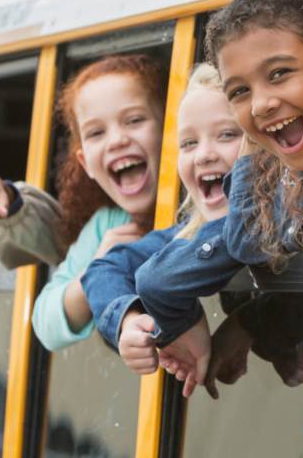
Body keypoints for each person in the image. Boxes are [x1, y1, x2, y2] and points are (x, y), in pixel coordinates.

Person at [131, 0, 303, 397]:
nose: (262, 103)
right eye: (240, 92)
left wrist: (247, 324)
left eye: (280, 73)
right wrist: (253, 143)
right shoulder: (286, 181)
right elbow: (247, 242)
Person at [0, 54, 165, 351]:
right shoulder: (108, 225)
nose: (116, 140)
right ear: (85, 163)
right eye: (97, 132)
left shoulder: (203, 204)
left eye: (134, 120)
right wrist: (100, 268)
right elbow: (44, 322)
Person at [81, 63, 245, 376]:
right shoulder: (187, 231)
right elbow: (104, 268)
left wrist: (180, 319)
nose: (203, 155)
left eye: (226, 135)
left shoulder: (290, 220)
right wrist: (130, 321)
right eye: (189, 143)